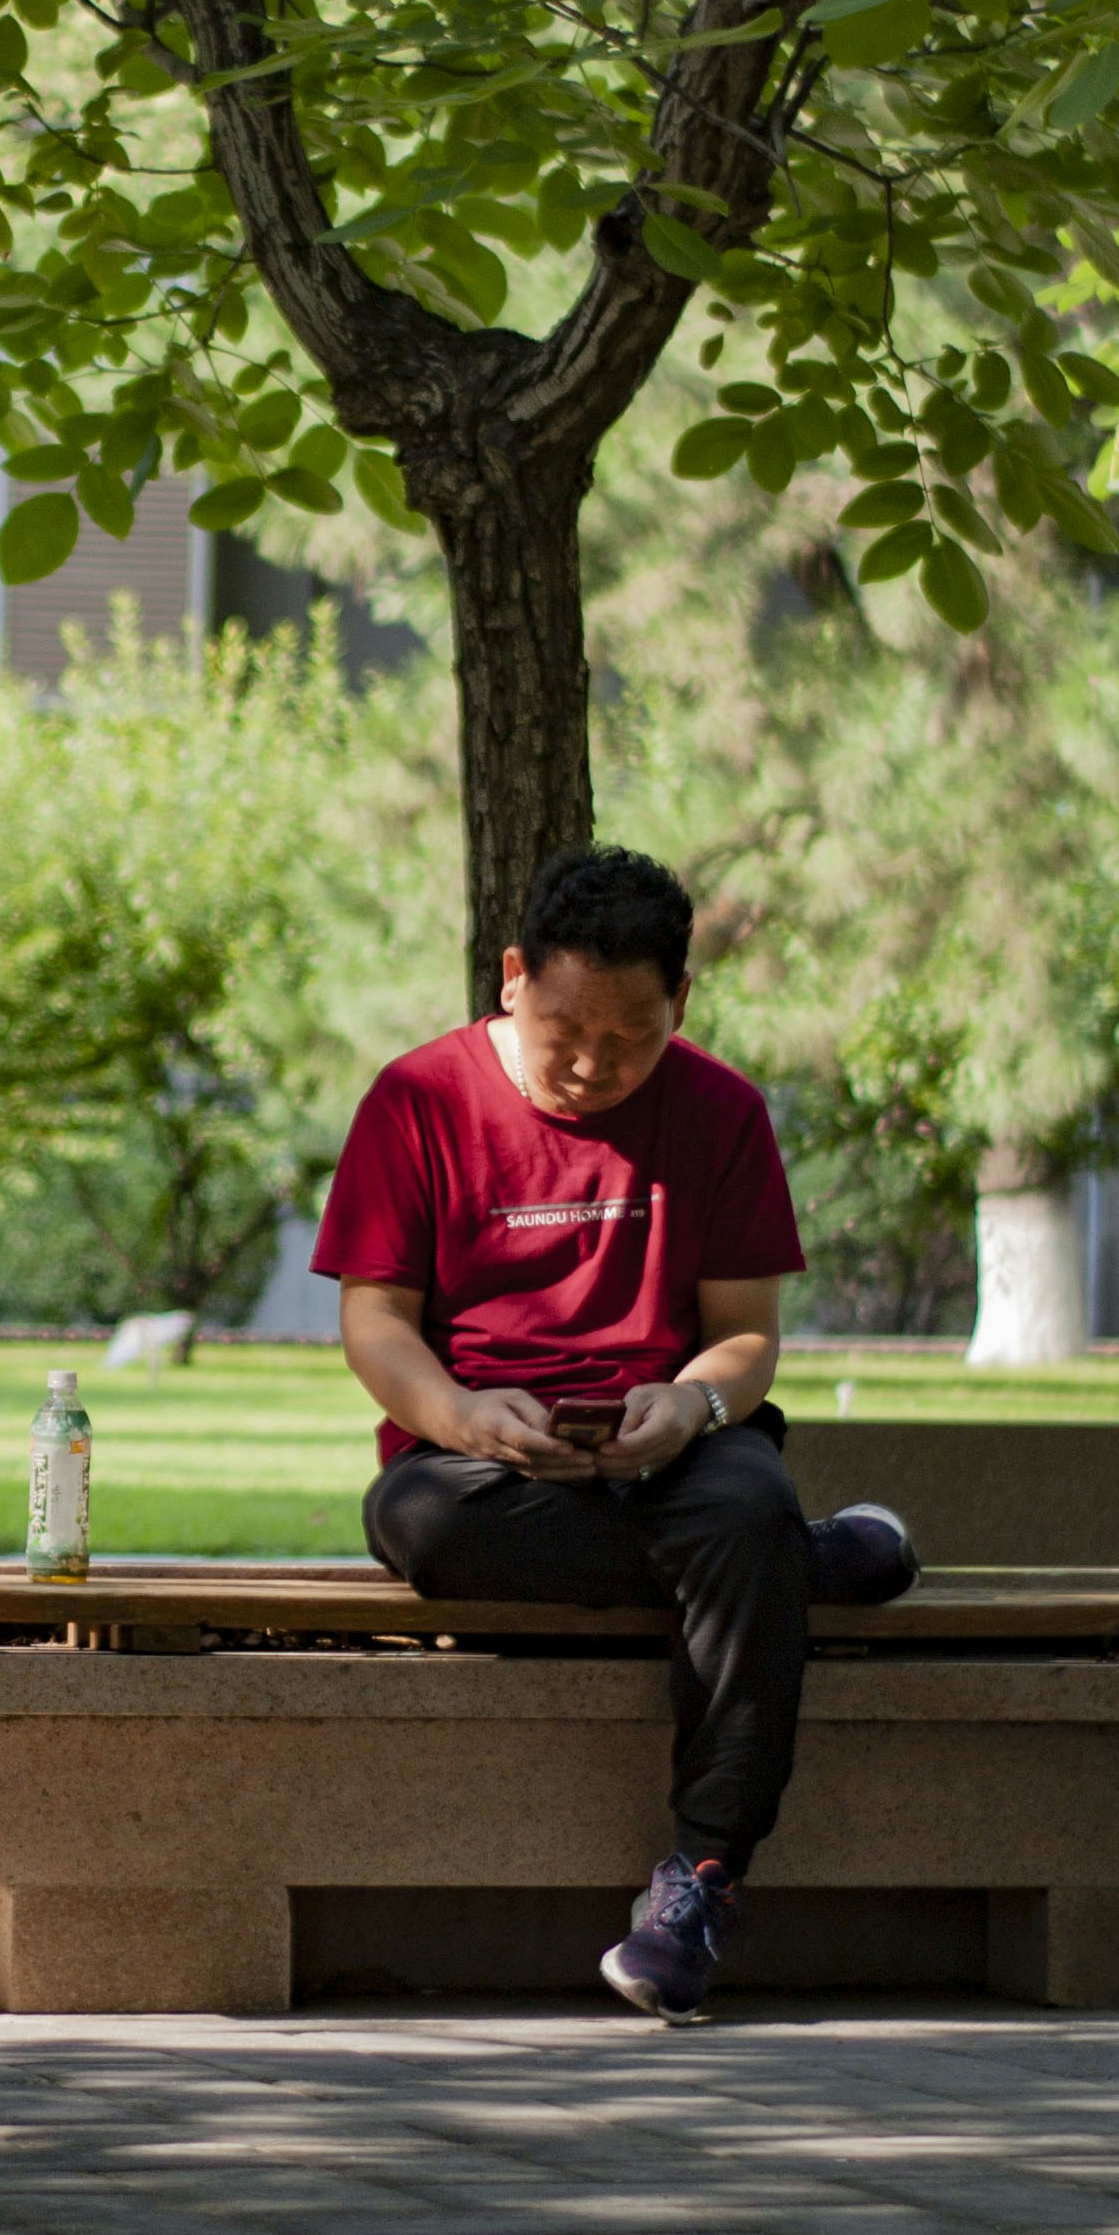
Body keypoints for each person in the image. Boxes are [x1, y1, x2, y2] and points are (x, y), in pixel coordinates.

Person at [310, 844, 915, 2020]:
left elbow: (744, 1337)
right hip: (481, 1465)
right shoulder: (419, 1099)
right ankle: (792, 1565)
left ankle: (697, 1883)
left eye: (631, 1036)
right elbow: (376, 1325)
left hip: (674, 1452)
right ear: (512, 979)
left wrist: (691, 1404)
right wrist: (464, 1417)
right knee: (422, 1525)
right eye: (563, 1032)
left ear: (681, 1002)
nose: (592, 1064)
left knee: (738, 1506)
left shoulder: (723, 1112)